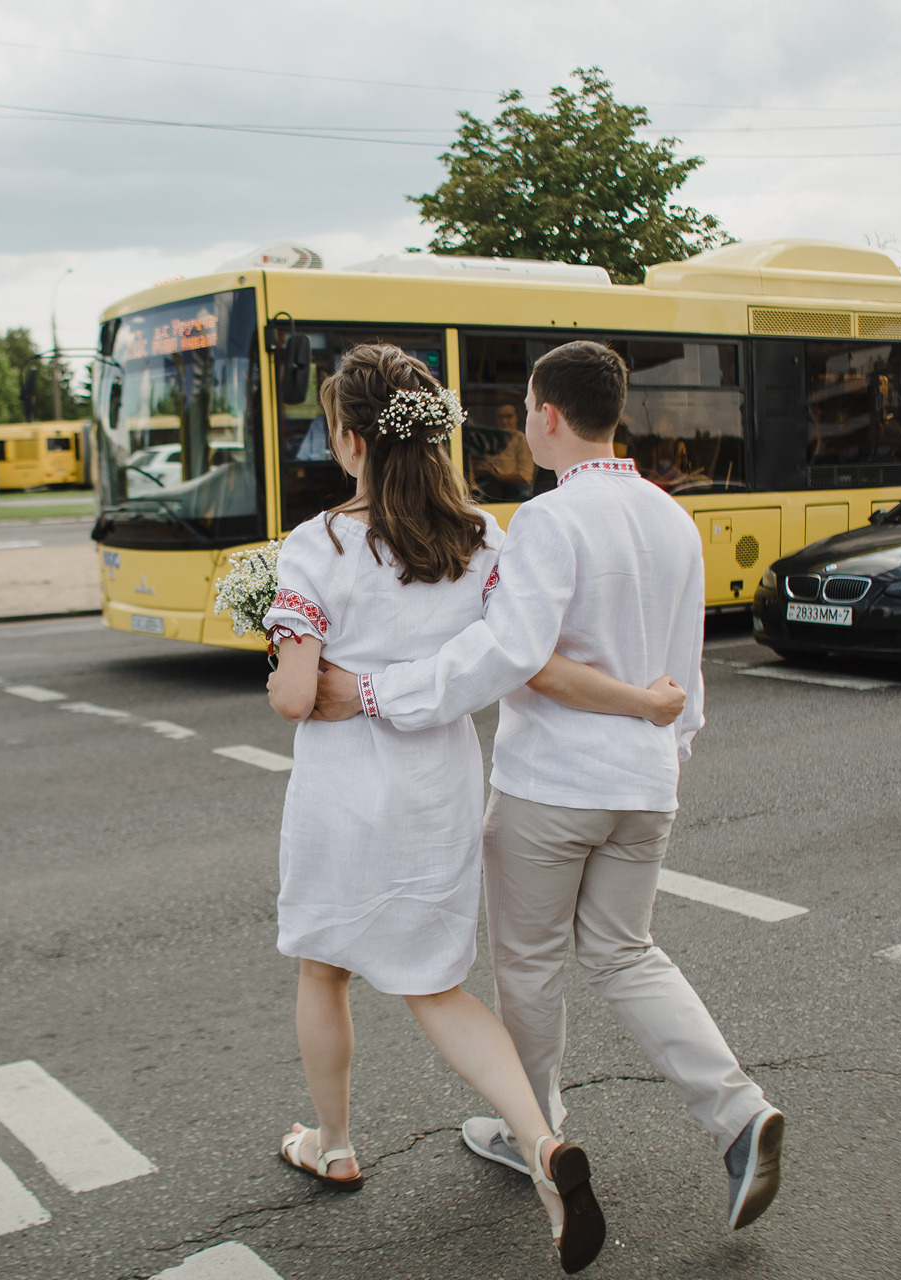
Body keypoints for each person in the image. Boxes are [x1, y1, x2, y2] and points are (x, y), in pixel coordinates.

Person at [313, 339, 786, 1232]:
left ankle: (533, 1129)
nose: (524, 420)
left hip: (553, 786)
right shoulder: (673, 519)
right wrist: (663, 748)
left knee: (529, 968)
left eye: (528, 405)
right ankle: (738, 1115)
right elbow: (685, 676)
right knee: (628, 954)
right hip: (647, 784)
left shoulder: (549, 520)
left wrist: (372, 691)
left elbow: (509, 657)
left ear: (550, 417)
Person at [262, 345, 687, 1273]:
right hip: (437, 788)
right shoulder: (482, 542)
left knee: (323, 970)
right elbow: (514, 656)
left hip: (342, 792)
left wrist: (287, 651)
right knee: (437, 988)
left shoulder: (314, 545)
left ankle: (331, 1144)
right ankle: (542, 1144)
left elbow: (296, 698)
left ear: (354, 438)